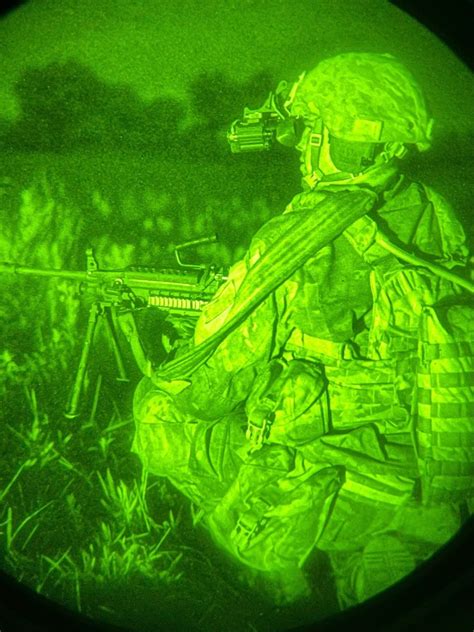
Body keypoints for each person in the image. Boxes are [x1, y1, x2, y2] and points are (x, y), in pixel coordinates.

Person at [132, 53, 473, 608]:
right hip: (431, 471)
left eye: (311, 129)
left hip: (334, 477)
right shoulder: (435, 211)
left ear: (337, 138)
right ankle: (377, 551)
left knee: (160, 410)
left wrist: (188, 346)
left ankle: (267, 557)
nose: (301, 145)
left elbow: (212, 385)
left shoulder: (302, 230)